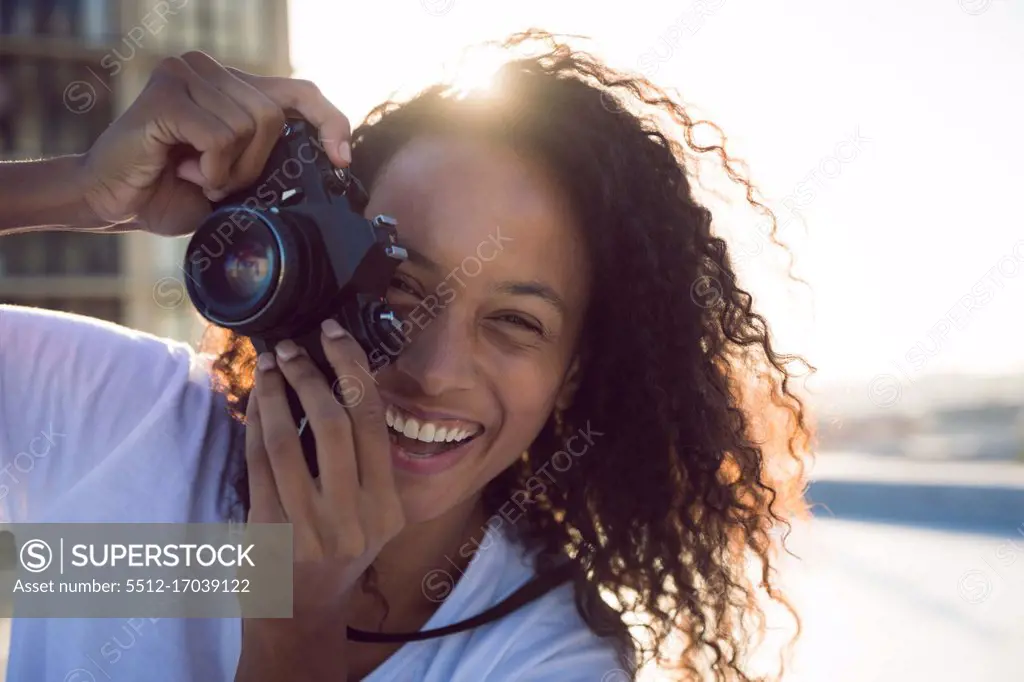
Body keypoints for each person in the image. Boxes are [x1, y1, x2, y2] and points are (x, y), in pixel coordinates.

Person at [0, 29, 812, 682]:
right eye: (394, 285)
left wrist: (295, 635)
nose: (433, 369)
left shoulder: (544, 658)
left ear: (573, 375)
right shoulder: (124, 425)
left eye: (517, 323)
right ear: (309, 267)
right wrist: (80, 192)